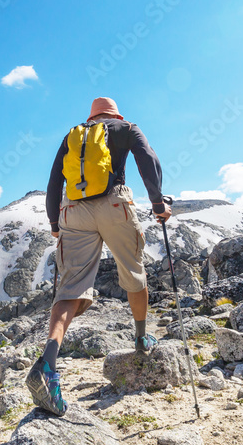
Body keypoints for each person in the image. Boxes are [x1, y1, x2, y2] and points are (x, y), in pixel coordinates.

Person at [26, 96, 171, 416]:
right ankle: (142, 338)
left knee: (70, 288)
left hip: (73, 211)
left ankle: (47, 365)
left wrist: (54, 223)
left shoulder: (73, 136)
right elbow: (148, 160)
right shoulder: (126, 128)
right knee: (134, 272)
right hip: (115, 205)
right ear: (114, 114)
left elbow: (54, 182)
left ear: (91, 117)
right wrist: (158, 204)